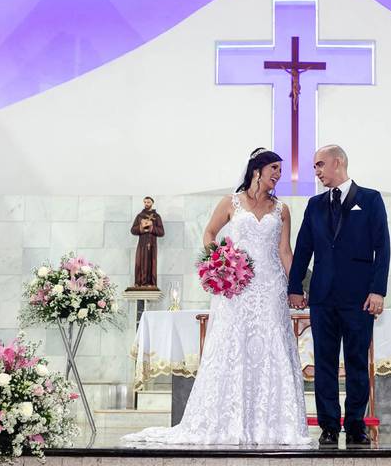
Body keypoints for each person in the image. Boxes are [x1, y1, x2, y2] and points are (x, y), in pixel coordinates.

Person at [123, 148, 309, 445]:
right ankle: (228, 420)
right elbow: (209, 233)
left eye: (280, 170)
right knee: (232, 346)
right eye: (274, 168)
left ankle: (272, 425)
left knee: (272, 346)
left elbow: (285, 252)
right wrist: (220, 263)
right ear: (256, 170)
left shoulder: (281, 209)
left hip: (271, 287)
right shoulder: (230, 202)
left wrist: (296, 287)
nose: (278, 174)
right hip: (236, 287)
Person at [287, 145, 390, 447]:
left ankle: (356, 424)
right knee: (325, 363)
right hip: (322, 296)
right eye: (314, 166)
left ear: (338, 162)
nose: (316, 171)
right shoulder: (315, 204)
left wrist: (378, 290)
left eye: (320, 165)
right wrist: (294, 287)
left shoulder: (370, 199)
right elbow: (303, 248)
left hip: (359, 297)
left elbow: (382, 247)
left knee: (357, 361)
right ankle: (329, 425)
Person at [130, 196, 165, 288]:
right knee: (140, 262)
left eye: (148, 202)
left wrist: (151, 226)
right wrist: (141, 227)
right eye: (145, 202)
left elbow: (161, 232)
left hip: (152, 245)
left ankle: (151, 283)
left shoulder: (157, 217)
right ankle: (139, 283)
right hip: (142, 245)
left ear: (152, 203)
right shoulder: (139, 216)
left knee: (150, 263)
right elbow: (133, 230)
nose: (146, 204)